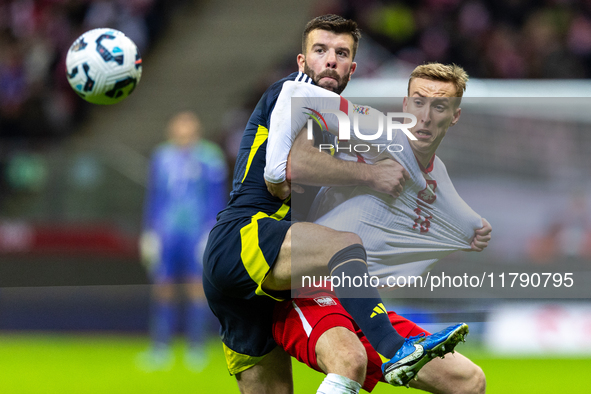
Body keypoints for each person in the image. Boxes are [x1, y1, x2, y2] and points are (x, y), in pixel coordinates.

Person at [203, 15, 466, 393]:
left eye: (341, 53)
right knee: (342, 244)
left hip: (260, 277)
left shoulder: (327, 118)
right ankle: (396, 349)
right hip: (243, 238)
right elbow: (284, 172)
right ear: (301, 61)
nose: (330, 60)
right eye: (320, 50)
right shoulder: (293, 93)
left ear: (352, 66)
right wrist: (373, 174)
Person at [273, 63, 490, 393]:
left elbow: (458, 211)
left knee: (469, 381)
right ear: (405, 106)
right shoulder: (376, 133)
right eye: (418, 102)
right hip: (305, 287)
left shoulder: (437, 174)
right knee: (349, 361)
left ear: (455, 115)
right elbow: (298, 141)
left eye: (440, 106)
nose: (426, 115)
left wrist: (475, 228)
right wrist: (368, 174)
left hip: (359, 299)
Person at [138, 111, 227, 371]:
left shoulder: (210, 157)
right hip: (166, 231)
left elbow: (216, 198)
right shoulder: (161, 157)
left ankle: (196, 347)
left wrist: (211, 231)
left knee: (195, 286)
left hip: (195, 230)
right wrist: (149, 231)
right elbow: (154, 196)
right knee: (162, 286)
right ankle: (160, 347)